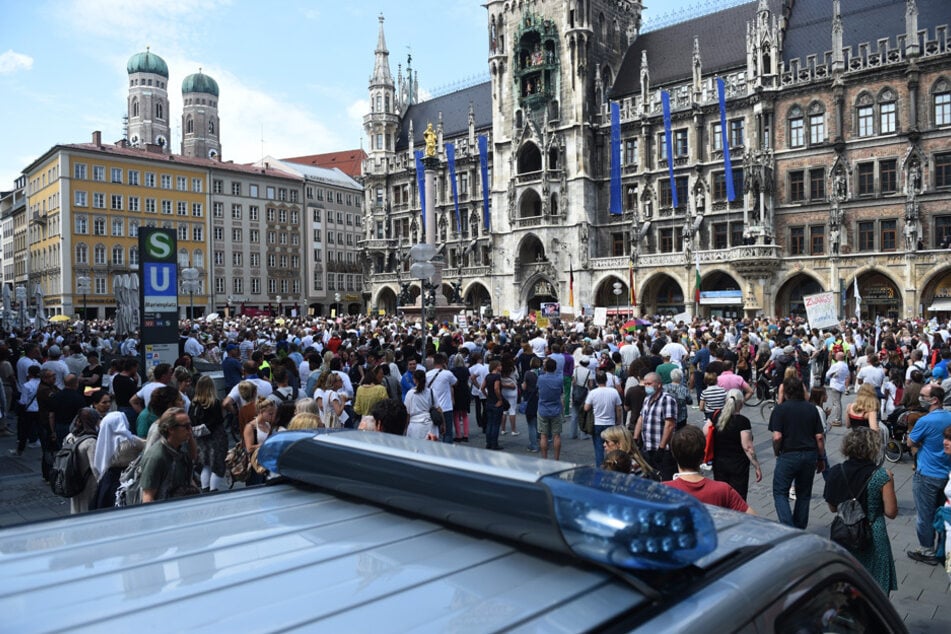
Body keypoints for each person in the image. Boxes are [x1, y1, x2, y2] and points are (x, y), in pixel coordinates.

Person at [823, 427, 898, 595]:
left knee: (848, 585)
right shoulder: (881, 475)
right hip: (874, 535)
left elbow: (832, 507)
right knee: (876, 589)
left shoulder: (836, 471)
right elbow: (891, 512)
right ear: (873, 448)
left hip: (844, 534)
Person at [769, 375, 826, 529]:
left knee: (780, 492)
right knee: (804, 493)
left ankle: (788, 527)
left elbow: (777, 436)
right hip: (809, 455)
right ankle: (800, 528)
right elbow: (819, 437)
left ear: (786, 392)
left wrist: (776, 451)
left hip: (788, 454)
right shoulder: (812, 408)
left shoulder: (780, 410)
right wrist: (821, 458)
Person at [906, 384, 951, 565]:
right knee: (942, 513)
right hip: (946, 474)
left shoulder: (925, 421)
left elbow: (910, 442)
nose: (920, 398)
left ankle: (926, 550)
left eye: (923, 396)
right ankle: (942, 547)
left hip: (926, 474)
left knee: (925, 515)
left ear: (934, 400)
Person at [663, 425, 753, 514]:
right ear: (703, 457)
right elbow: (756, 520)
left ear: (674, 455)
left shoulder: (662, 491)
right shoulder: (723, 490)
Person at [705, 388, 762, 501]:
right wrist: (757, 466)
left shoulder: (716, 416)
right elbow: (748, 447)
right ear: (741, 403)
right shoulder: (743, 422)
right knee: (737, 499)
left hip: (719, 464)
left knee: (721, 496)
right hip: (738, 467)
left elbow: (705, 432)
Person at [93, 398, 145, 510]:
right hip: (127, 478)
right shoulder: (131, 441)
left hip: (107, 480)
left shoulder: (104, 438)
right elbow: (146, 444)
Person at [139, 407, 199, 502]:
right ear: (171, 429)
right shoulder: (155, 457)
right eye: (186, 426)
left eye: (190, 425)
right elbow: (148, 496)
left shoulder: (180, 449)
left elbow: (193, 458)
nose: (190, 430)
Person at [633, 372, 676, 480]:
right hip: (648, 447)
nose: (646, 386)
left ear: (659, 385)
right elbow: (641, 418)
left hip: (662, 449)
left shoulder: (667, 399)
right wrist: (636, 437)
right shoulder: (647, 399)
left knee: (665, 478)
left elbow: (669, 425)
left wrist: (661, 448)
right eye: (645, 384)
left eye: (649, 384)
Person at [189, 375, 228, 492]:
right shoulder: (214, 403)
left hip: (201, 439)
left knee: (206, 465)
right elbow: (219, 420)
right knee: (217, 467)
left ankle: (205, 490)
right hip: (216, 438)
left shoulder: (193, 404)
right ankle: (213, 490)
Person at [62, 407, 101, 514]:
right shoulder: (90, 441)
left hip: (73, 478)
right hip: (88, 482)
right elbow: (95, 467)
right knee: (87, 509)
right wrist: (101, 483)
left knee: (76, 507)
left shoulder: (69, 437)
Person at [586, 371, 624, 467]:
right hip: (610, 422)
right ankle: (612, 465)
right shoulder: (613, 392)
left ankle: (600, 468)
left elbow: (586, 408)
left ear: (596, 381)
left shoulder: (593, 393)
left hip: (597, 423)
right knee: (612, 447)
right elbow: (618, 408)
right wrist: (619, 420)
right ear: (606, 380)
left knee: (599, 448)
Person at [536, 357, 563, 460]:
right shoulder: (559, 379)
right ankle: (556, 459)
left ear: (545, 367)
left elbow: (538, 390)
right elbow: (561, 392)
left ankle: (544, 458)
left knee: (543, 436)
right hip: (556, 409)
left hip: (543, 408)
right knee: (557, 435)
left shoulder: (540, 378)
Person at [426, 353, 457, 443]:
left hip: (433, 408)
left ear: (433, 362)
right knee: (447, 432)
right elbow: (455, 383)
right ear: (443, 362)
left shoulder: (427, 374)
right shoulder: (448, 374)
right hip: (446, 407)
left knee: (434, 431)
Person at [403, 369, 437, 440]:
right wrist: (443, 424)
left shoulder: (410, 394)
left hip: (415, 426)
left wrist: (405, 427)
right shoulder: (431, 392)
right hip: (430, 425)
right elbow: (438, 408)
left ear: (414, 380)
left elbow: (407, 413)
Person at [481, 359, 504, 450]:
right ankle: (494, 443)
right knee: (495, 424)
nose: (501, 367)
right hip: (496, 402)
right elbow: (496, 388)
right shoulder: (497, 377)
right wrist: (500, 399)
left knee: (489, 423)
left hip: (489, 401)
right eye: (500, 365)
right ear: (496, 367)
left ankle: (488, 442)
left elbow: (482, 388)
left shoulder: (488, 376)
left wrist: (487, 396)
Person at [825, 351, 851, 427]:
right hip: (841, 384)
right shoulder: (845, 365)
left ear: (838, 357)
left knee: (836, 403)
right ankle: (838, 418)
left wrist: (832, 375)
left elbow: (827, 375)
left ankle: (837, 419)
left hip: (835, 384)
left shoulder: (835, 365)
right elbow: (847, 374)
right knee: (838, 402)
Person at [450, 354, 472, 442]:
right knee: (465, 414)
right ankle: (466, 434)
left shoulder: (452, 371)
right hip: (465, 392)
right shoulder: (466, 370)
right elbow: (469, 381)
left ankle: (458, 435)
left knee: (456, 415)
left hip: (456, 392)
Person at [521, 357, 541, 452]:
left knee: (531, 424)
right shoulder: (541, 374)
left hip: (530, 398)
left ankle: (533, 445)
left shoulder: (528, 374)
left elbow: (524, 387)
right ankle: (539, 439)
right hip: (539, 399)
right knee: (538, 422)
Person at [498, 354, 519, 437]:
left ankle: (503, 429)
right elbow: (517, 376)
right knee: (512, 410)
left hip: (503, 390)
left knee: (504, 410)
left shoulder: (500, 368)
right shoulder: (513, 368)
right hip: (513, 389)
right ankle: (513, 430)